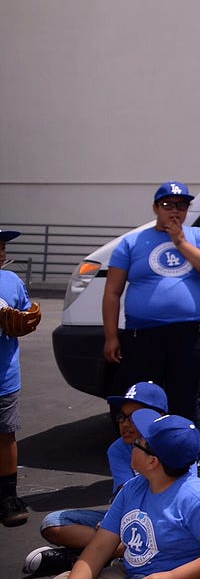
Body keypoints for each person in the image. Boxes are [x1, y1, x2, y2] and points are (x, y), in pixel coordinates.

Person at [104, 182, 200, 428]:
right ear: (155, 208)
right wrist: (111, 336)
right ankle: (145, 460)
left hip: (188, 335)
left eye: (181, 205)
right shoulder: (132, 242)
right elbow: (112, 292)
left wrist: (181, 243)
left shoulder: (197, 236)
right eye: (168, 205)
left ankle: (191, 463)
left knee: (186, 401)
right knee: (145, 401)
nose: (174, 211)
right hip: (144, 336)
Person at [65, 410, 200, 579]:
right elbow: (99, 548)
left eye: (138, 442)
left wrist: (172, 575)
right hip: (131, 572)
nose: (132, 444)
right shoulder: (133, 488)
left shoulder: (198, 498)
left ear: (152, 461)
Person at [27, 382, 171, 577]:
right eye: (121, 416)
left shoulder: (175, 447)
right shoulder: (119, 451)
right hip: (128, 517)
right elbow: (124, 497)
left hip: (162, 522)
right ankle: (107, 552)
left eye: (134, 417)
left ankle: (98, 554)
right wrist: (109, 527)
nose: (125, 424)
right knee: (53, 523)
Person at [0, 226, 41, 527]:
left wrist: (25, 321)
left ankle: (7, 496)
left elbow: (25, 314)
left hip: (5, 375)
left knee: (6, 435)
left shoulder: (11, 280)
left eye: (3, 246)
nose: (2, 251)